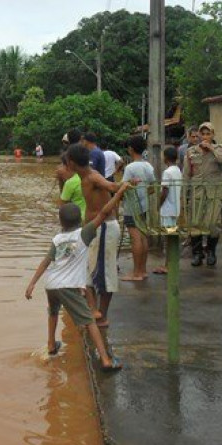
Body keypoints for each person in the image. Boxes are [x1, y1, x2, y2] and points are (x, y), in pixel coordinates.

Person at [24, 190, 130, 371]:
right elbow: (104, 213)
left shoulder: (57, 239)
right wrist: (119, 192)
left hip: (51, 284)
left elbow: (46, 261)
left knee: (53, 312)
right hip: (68, 286)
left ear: (60, 221)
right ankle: (105, 360)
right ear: (80, 218)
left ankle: (51, 344)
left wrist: (32, 283)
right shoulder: (85, 233)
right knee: (89, 321)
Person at [66, 144, 122, 325]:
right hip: (93, 230)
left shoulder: (92, 176)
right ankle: (94, 310)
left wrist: (122, 186)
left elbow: (111, 186)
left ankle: (101, 315)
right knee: (86, 270)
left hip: (104, 228)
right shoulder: (85, 177)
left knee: (105, 274)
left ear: (72, 163)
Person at [183, 122, 222, 267]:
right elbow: (186, 174)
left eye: (208, 134)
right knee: (195, 222)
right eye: (202, 134)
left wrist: (212, 150)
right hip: (197, 192)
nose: (204, 137)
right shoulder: (191, 151)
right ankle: (197, 254)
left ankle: (211, 252)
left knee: (213, 223)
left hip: (214, 193)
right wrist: (183, 195)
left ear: (213, 134)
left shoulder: (220, 149)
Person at [121, 135, 155, 280]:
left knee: (135, 239)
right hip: (144, 206)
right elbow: (152, 187)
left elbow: (123, 187)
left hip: (131, 208)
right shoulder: (148, 165)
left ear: (131, 149)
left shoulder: (130, 168)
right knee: (143, 237)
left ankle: (136, 273)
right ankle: (143, 270)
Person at [153, 146, 183, 274]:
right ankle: (171, 264)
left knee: (169, 238)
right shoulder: (177, 170)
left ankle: (168, 265)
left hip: (167, 210)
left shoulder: (167, 172)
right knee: (172, 237)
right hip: (175, 209)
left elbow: (165, 190)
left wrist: (157, 205)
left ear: (165, 157)